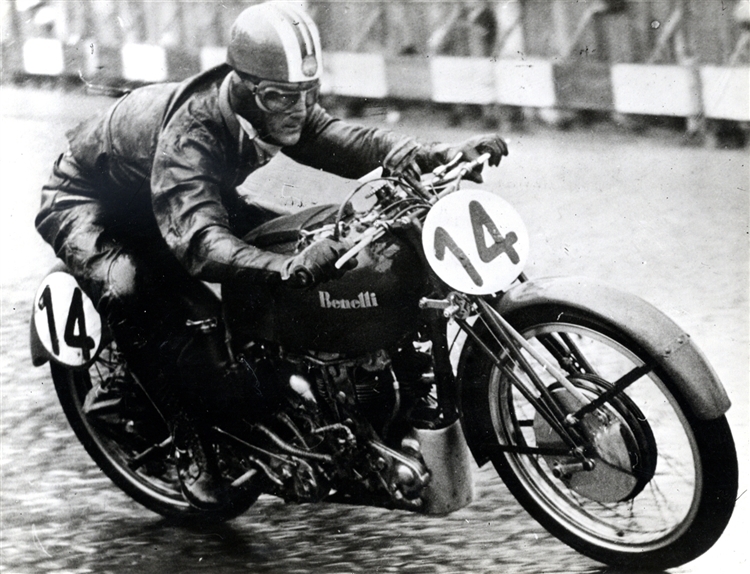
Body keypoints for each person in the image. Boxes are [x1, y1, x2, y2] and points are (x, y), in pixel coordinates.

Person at [35, 1, 508, 510]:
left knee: (305, 235)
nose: (297, 110)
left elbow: (335, 137)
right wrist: (283, 268)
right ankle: (190, 436)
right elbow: (200, 243)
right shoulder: (192, 133)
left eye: (308, 94)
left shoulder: (274, 101)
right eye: (281, 98)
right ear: (244, 86)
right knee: (131, 288)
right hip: (92, 203)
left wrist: (425, 153)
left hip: (180, 195)